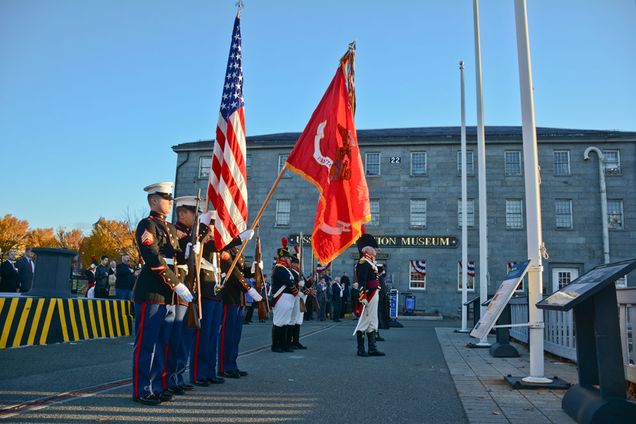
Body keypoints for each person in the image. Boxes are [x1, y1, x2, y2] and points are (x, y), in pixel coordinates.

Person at [131, 182, 193, 406]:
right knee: (147, 343)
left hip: (167, 293)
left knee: (161, 343)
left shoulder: (167, 227)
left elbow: (175, 257)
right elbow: (153, 259)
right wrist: (176, 284)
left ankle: (157, 386)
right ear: (154, 200)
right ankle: (142, 389)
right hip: (151, 291)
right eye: (166, 198)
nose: (169, 202)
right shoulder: (147, 225)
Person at [218, 234, 259, 378]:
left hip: (238, 298)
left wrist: (252, 269)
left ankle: (232, 364)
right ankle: (224, 367)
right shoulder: (226, 250)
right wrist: (249, 288)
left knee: (235, 336)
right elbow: (234, 273)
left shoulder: (236, 251)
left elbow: (242, 271)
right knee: (227, 335)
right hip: (229, 296)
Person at [353, 233, 385, 357]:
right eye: (374, 248)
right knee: (364, 321)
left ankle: (372, 348)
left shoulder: (371, 262)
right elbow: (362, 282)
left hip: (374, 294)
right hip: (368, 296)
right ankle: (360, 349)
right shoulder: (363, 263)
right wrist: (363, 297)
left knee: (373, 321)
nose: (376, 250)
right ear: (367, 249)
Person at [270, 238, 298, 353]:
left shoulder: (286, 269)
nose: (289, 260)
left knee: (285, 322)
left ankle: (284, 344)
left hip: (288, 297)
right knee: (279, 322)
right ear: (282, 258)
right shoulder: (279, 269)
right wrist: (296, 290)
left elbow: (293, 280)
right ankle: (276, 345)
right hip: (281, 297)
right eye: (287, 258)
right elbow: (288, 282)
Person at [288, 246, 307, 350]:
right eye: (298, 263)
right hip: (295, 297)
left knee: (298, 320)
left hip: (301, 297)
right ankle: (290, 342)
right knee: (293, 319)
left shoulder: (299, 273)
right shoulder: (292, 272)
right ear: (294, 264)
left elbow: (306, 285)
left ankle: (296, 341)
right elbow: (291, 284)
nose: (299, 265)